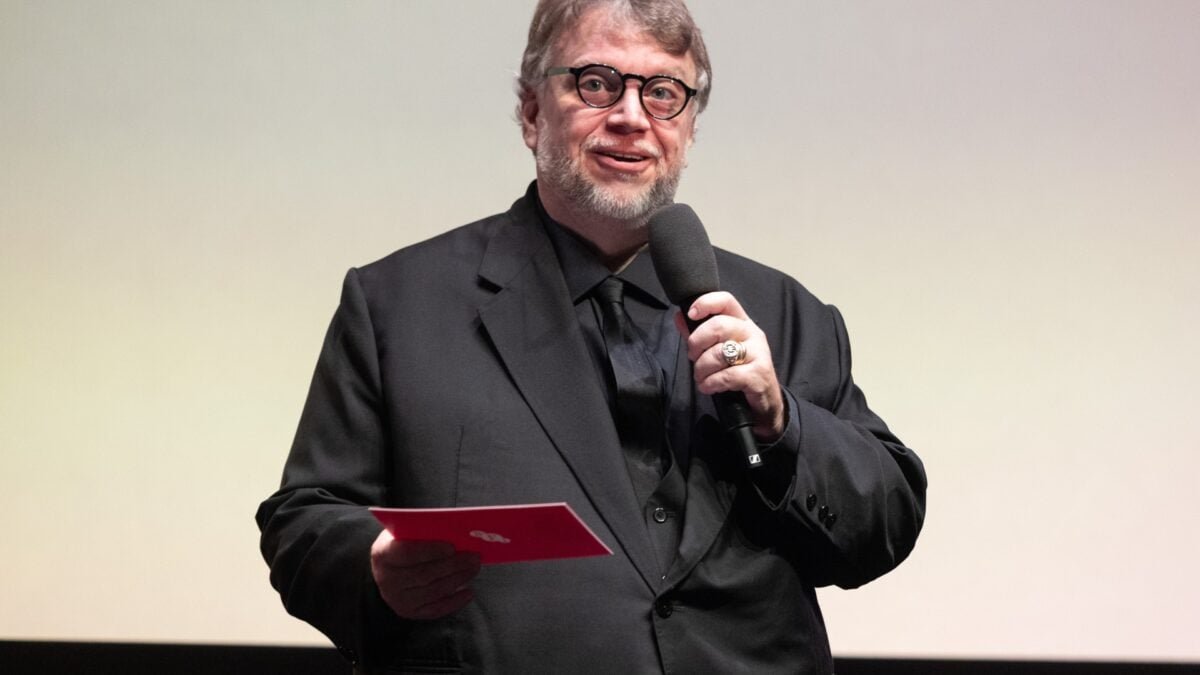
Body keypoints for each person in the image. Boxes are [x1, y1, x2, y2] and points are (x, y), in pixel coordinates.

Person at [256, 1, 926, 672]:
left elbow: (885, 522)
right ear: (531, 113)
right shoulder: (398, 305)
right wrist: (373, 566)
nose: (632, 116)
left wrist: (783, 425)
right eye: (596, 83)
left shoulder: (781, 310)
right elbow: (303, 521)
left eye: (662, 92)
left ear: (690, 127)